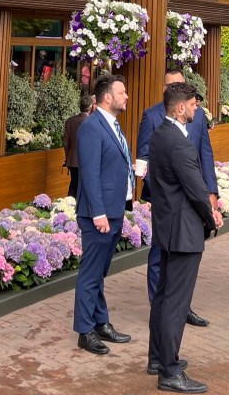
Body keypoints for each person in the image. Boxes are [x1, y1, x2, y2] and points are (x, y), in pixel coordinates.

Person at [147, 81, 223, 393]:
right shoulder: (179, 143)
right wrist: (212, 215)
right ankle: (169, 371)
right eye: (193, 104)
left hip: (167, 228)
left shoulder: (159, 135)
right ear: (180, 108)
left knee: (163, 296)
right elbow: (196, 189)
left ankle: (157, 358)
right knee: (176, 303)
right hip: (183, 232)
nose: (196, 109)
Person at [137, 67, 218, 326]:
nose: (175, 89)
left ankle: (182, 306)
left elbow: (205, 154)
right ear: (165, 89)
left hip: (192, 200)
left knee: (184, 257)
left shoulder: (198, 115)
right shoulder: (152, 117)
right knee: (160, 253)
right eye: (171, 85)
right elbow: (144, 160)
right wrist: (164, 192)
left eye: (179, 85)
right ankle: (159, 308)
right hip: (165, 201)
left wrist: (211, 192)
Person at [73, 74, 134, 355]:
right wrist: (98, 213)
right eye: (122, 93)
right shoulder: (91, 127)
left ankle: (100, 322)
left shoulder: (112, 125)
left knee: (100, 272)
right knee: (91, 274)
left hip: (115, 210)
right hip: (99, 215)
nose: (126, 97)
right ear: (107, 97)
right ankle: (85, 331)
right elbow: (90, 173)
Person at [63, 93, 94, 199]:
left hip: (72, 160)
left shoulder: (70, 121)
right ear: (90, 107)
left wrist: (68, 157)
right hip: (87, 161)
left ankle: (69, 206)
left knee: (73, 186)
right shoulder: (91, 122)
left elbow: (66, 142)